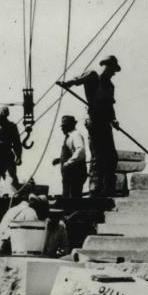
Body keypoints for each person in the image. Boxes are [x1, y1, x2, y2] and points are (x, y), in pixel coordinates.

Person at [57, 55, 120, 196]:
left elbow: (110, 106)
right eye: (112, 70)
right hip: (94, 121)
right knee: (98, 155)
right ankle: (95, 188)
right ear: (106, 66)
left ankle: (108, 188)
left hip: (105, 121)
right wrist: (66, 83)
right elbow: (77, 80)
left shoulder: (110, 85)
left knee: (111, 156)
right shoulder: (92, 75)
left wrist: (114, 119)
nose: (113, 73)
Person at [52, 115, 87, 199]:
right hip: (68, 174)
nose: (62, 129)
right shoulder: (69, 137)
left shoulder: (75, 135)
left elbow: (80, 150)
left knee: (73, 198)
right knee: (67, 196)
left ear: (70, 125)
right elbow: (72, 152)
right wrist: (60, 160)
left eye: (64, 126)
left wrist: (68, 163)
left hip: (75, 172)